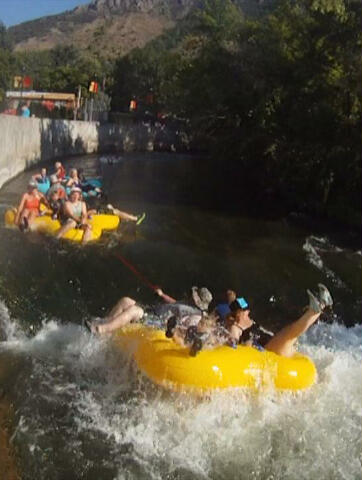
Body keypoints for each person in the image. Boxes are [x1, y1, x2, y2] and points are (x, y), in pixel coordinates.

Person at [220, 284, 333, 358]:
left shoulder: (245, 321)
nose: (248, 311)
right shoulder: (235, 328)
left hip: (272, 346)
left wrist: (230, 294)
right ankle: (316, 309)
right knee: (289, 333)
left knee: (290, 332)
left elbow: (232, 302)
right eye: (245, 310)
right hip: (270, 352)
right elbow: (235, 347)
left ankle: (320, 306)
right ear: (238, 314)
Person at [85, 286, 212, 336]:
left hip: (159, 324)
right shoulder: (187, 303)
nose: (191, 296)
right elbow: (174, 304)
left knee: (134, 310)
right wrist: (162, 295)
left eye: (194, 296)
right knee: (126, 300)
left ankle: (101, 330)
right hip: (153, 314)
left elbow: (186, 330)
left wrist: (173, 327)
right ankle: (107, 324)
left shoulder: (195, 317)